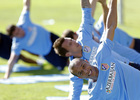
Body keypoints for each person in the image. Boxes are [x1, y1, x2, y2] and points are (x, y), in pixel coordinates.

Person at [53, 0, 140, 99]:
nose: (75, 42)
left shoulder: (93, 47)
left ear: (86, 61)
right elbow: (74, 94)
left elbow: (86, 12)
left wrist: (107, 4)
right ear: (68, 54)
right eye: (70, 44)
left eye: (72, 40)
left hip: (128, 66)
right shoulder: (76, 71)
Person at [4, 0, 69, 79]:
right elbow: (12, 60)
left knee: (70, 50)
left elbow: (26, 6)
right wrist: (7, 75)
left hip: (51, 38)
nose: (21, 32)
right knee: (65, 63)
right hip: (48, 52)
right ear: (13, 37)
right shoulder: (17, 44)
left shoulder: (23, 21)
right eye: (17, 34)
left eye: (19, 29)